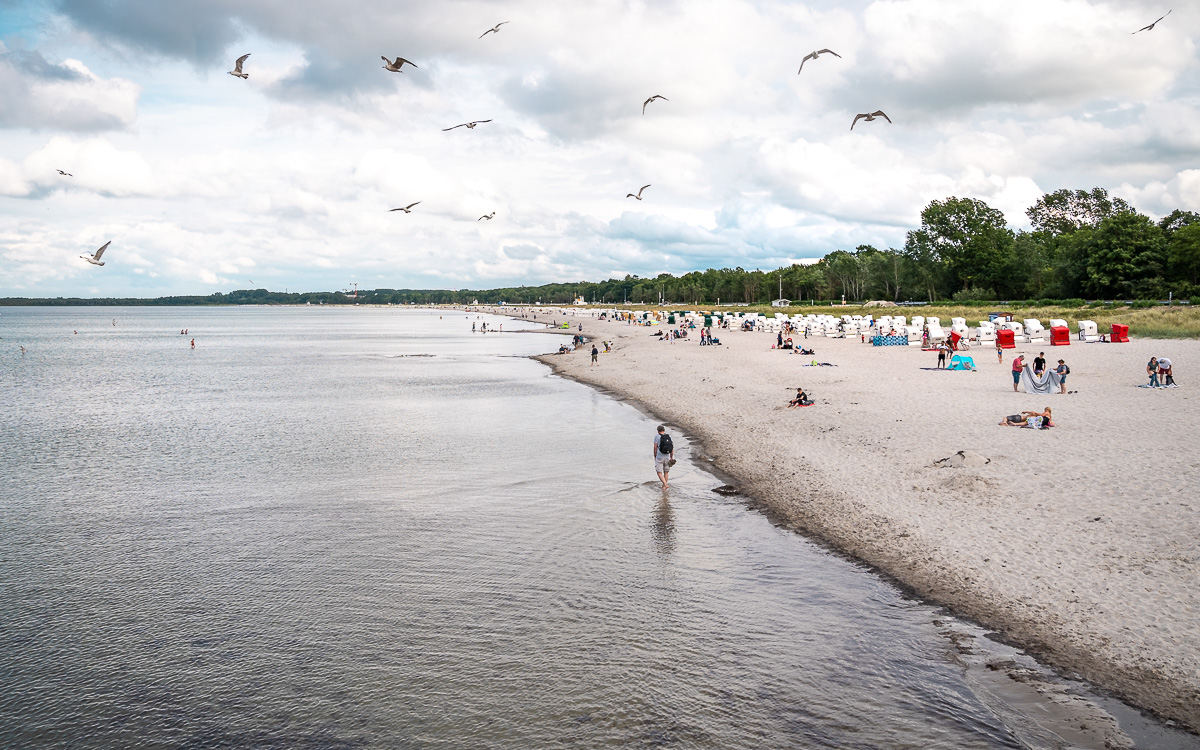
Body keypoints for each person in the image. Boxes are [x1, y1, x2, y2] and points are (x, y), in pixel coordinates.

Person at [653, 425, 675, 489]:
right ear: (664, 430)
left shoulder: (657, 436)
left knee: (659, 472)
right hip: (667, 457)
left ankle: (665, 484)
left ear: (658, 431)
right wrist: (671, 457)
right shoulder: (668, 437)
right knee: (666, 472)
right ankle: (664, 487)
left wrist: (655, 455)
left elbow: (655, 447)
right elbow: (671, 448)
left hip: (660, 457)